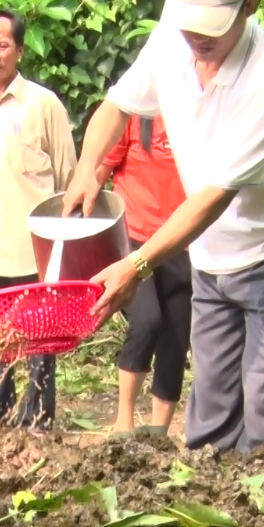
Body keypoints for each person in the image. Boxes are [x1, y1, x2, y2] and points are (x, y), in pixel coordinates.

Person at [62, 0, 264, 455]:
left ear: (249, 6)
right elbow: (118, 106)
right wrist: (86, 168)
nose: (196, 39)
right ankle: (210, 523)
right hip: (210, 260)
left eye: (211, 27)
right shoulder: (172, 38)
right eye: (187, 24)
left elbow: (213, 198)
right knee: (207, 413)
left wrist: (136, 265)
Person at [0, 8, 78, 433]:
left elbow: (68, 180)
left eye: (2, 45)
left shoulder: (43, 104)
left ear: (20, 50)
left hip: (34, 252)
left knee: (39, 349)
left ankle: (39, 428)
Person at [96, 113, 192, 439]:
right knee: (147, 319)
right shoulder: (133, 113)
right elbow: (101, 168)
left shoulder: (199, 110)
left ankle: (158, 431)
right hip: (133, 236)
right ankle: (124, 420)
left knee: (177, 333)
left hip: (182, 239)